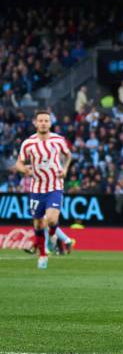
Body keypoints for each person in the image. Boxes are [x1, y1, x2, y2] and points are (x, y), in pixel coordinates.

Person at [14, 110, 72, 269]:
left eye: (46, 120)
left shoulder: (58, 140)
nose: (43, 123)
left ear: (50, 123)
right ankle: (43, 255)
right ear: (35, 123)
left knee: (52, 220)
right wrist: (24, 170)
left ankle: (53, 236)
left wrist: (65, 169)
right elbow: (18, 163)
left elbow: (68, 156)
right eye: (40, 121)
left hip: (55, 186)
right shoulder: (28, 143)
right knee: (39, 225)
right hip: (36, 188)